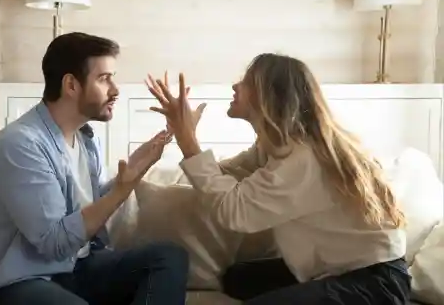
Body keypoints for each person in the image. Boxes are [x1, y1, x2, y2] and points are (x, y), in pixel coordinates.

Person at [145, 53, 410, 304]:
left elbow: (235, 211)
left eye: (247, 82)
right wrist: (184, 137)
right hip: (337, 267)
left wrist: (188, 140)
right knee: (236, 279)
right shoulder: (276, 147)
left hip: (374, 281)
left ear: (269, 96)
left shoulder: (305, 159)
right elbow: (218, 177)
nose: (235, 86)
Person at [0, 32, 189, 305]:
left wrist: (137, 169)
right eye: (104, 78)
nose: (115, 89)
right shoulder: (20, 146)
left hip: (77, 268)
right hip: (24, 280)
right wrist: (120, 191)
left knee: (168, 257)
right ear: (71, 85)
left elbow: (89, 211)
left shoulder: (86, 138)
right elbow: (54, 244)